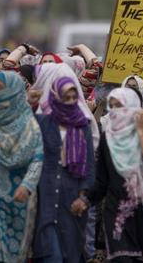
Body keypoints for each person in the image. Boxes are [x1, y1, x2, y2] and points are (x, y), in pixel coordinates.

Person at [87, 88, 143, 262]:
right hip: (116, 211)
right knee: (120, 258)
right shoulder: (108, 138)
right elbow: (102, 180)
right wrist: (85, 200)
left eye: (121, 106)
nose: (116, 111)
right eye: (112, 106)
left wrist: (140, 131)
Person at [0, 71, 44, 263]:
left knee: (14, 256)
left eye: (0, 87)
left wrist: (27, 186)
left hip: (20, 200)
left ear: (13, 90)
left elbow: (37, 158)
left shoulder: (29, 124)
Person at [33, 77, 95, 262]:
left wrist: (84, 198)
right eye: (64, 97)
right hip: (46, 197)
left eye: (72, 98)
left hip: (72, 200)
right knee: (50, 254)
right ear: (55, 96)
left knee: (69, 251)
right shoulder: (43, 123)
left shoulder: (83, 125)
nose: (69, 102)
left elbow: (90, 165)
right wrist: (28, 103)